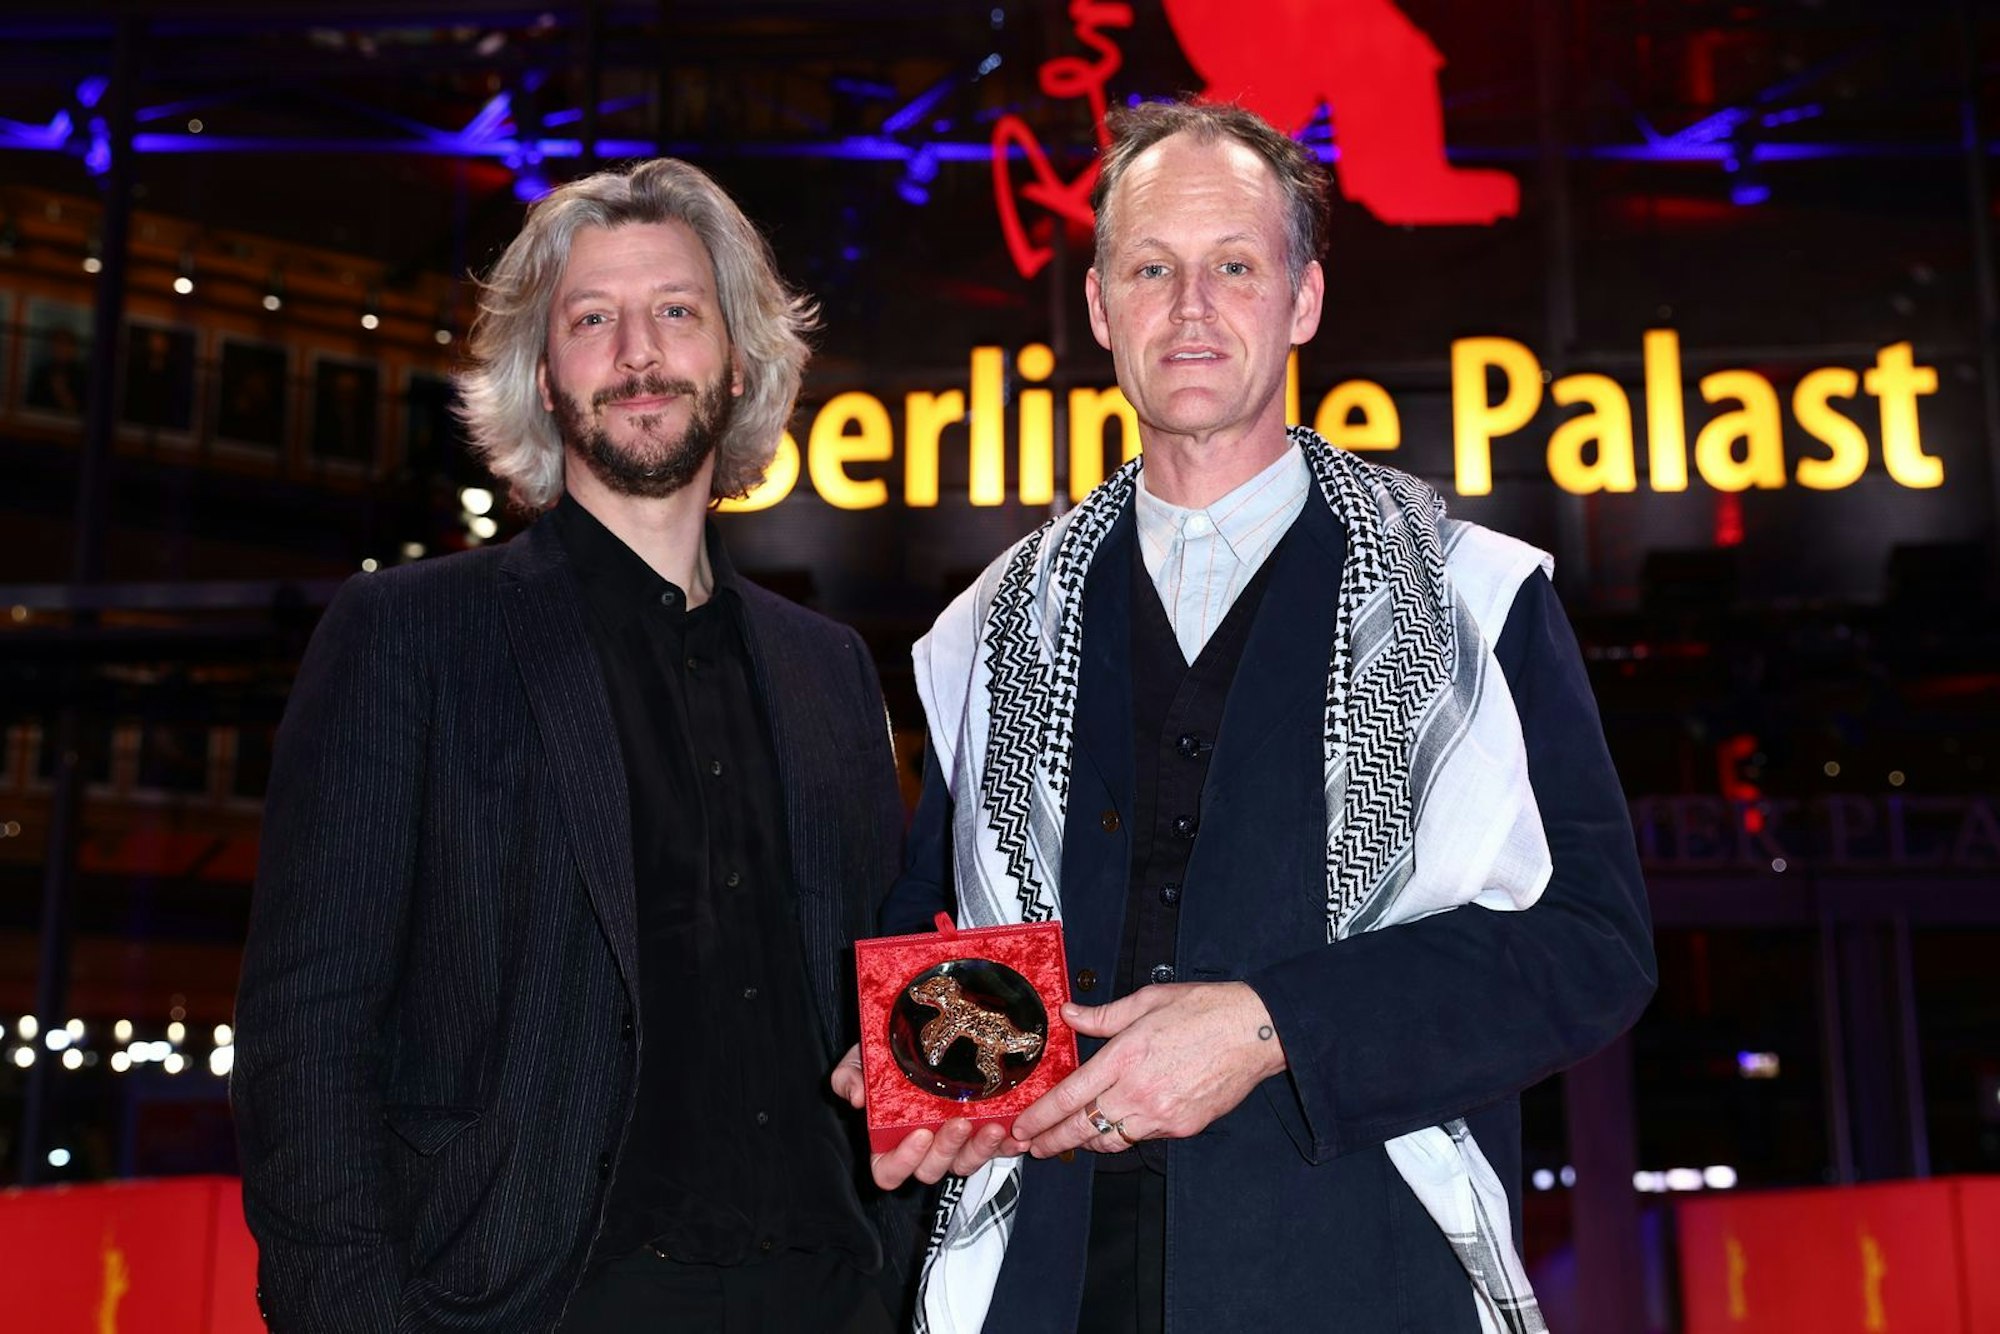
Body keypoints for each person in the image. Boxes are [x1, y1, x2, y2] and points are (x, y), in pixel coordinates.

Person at [837, 100, 1656, 1333]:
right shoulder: (985, 632)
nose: (1190, 309)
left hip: (1360, 1275)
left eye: (1233, 266)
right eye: (1149, 269)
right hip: (1049, 1286)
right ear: (1101, 308)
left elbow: (1591, 945)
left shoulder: (1474, 599)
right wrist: (912, 1066)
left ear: (1302, 299)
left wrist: (1272, 1027)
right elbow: (934, 930)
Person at [233, 158, 916, 1333]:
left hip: (828, 1296)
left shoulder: (830, 671)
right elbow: (307, 1035)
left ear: (737, 357)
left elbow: (880, 1009)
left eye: (675, 312)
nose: (637, 351)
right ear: (543, 377)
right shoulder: (410, 636)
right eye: (591, 319)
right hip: (540, 1301)